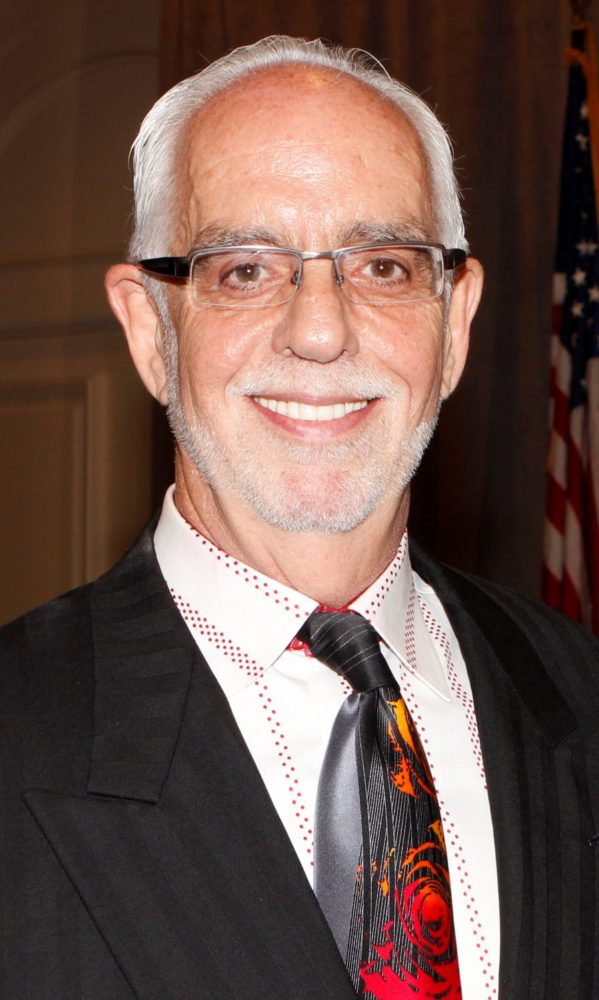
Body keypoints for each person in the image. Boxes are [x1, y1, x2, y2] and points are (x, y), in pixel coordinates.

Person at [1, 34, 598, 1000]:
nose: (319, 330)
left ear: (454, 324)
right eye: (243, 268)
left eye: (383, 265)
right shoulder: (22, 729)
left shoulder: (578, 692)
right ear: (150, 331)